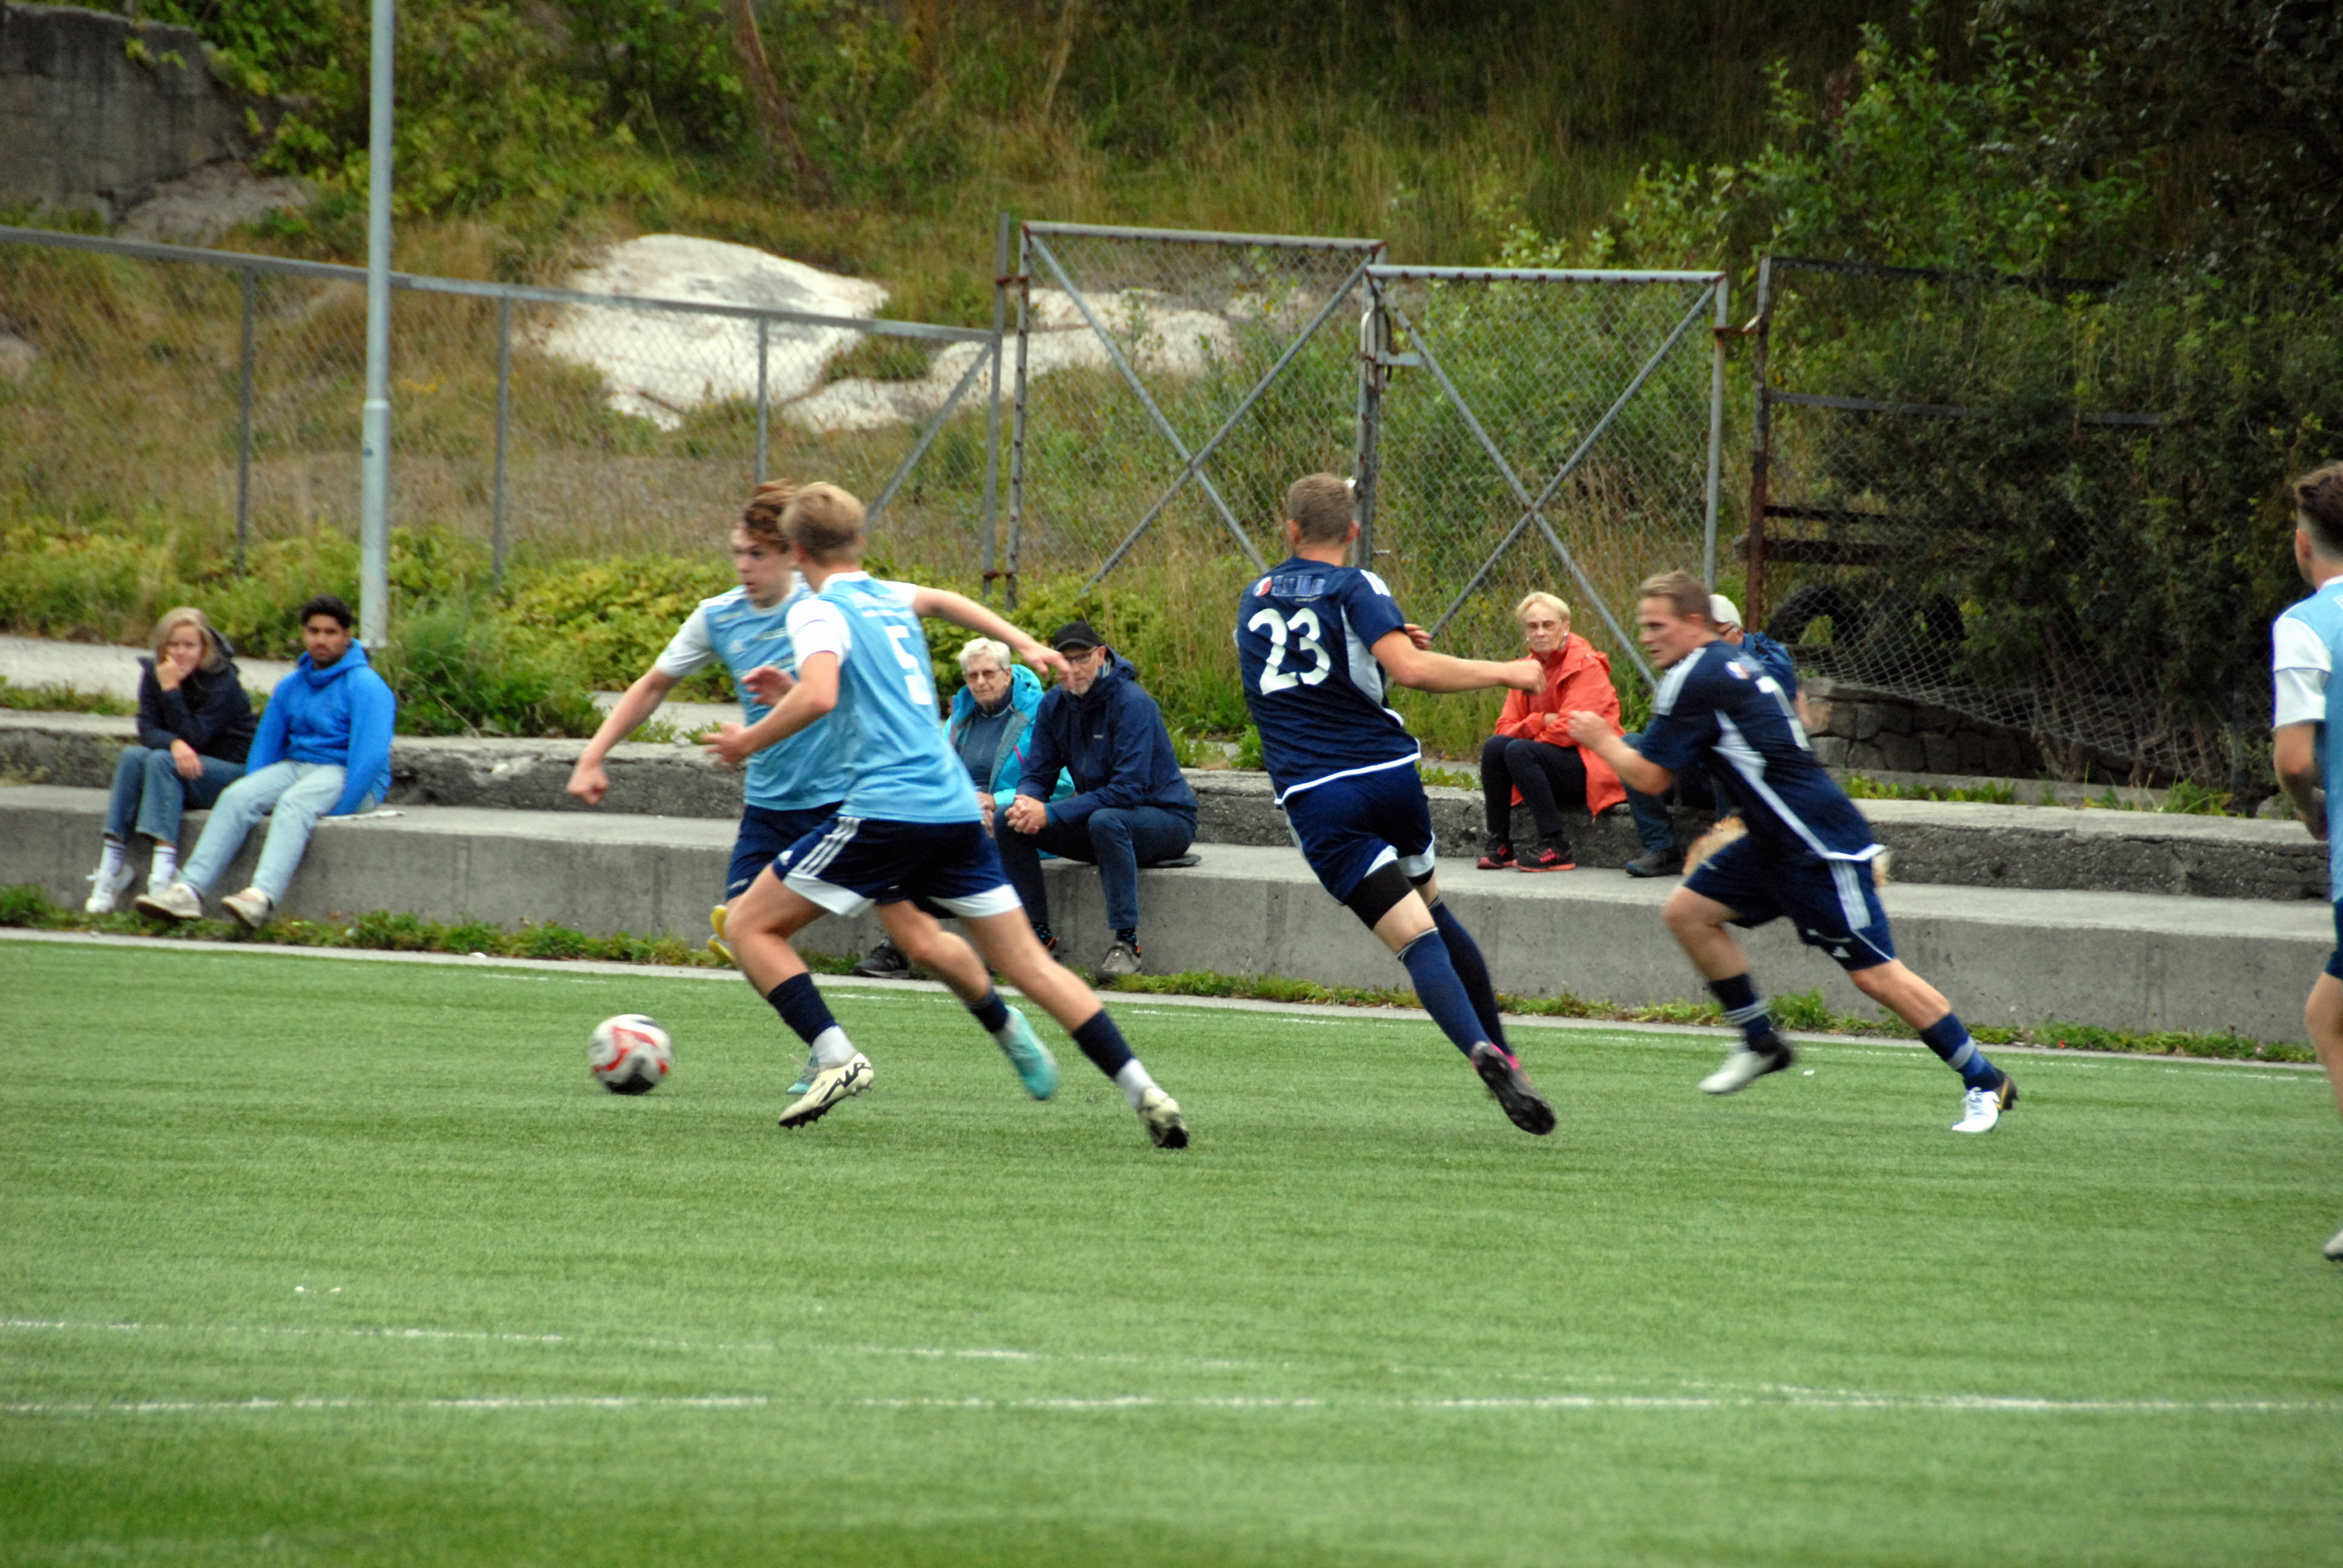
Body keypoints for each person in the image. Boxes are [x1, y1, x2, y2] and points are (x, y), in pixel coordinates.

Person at [710, 482, 1190, 1148]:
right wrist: (1023, 642)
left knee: (747, 925)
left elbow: (820, 696)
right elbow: (940, 605)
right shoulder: (886, 597)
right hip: (954, 810)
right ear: (859, 541)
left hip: (887, 811)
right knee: (1027, 965)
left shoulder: (816, 611)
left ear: (794, 552)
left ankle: (835, 1055)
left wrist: (747, 740)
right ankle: (1145, 1090)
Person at [1565, 571, 2017, 1133]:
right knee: (1688, 912)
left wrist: (1601, 738)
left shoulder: (1694, 677)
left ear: (1694, 623)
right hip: (1773, 841)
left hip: (1817, 845)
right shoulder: (1737, 663)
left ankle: (1985, 1080)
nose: (1647, 637)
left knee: (1876, 976)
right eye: (1643, 626)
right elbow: (1788, 718)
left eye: (1657, 626)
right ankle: (1761, 1042)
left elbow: (1651, 778)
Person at [1238, 472, 1555, 1135]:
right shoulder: (1358, 587)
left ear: (1290, 530)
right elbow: (1407, 671)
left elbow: (1310, 666)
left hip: (1319, 796)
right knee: (1431, 909)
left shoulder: (1256, 596)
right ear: (1353, 532)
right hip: (1388, 779)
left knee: (1414, 942)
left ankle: (1477, 1049)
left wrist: (1379, 642)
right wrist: (1507, 670)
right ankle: (1505, 1054)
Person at [566, 479, 849, 1021]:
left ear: (791, 555)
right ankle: (829, 1048)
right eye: (737, 553)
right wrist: (592, 755)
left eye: (757, 554)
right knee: (745, 932)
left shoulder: (824, 608)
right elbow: (654, 684)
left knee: (916, 936)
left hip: (844, 800)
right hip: (770, 804)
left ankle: (998, 1008)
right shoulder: (719, 617)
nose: (743, 566)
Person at [136, 593, 395, 929]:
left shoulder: (366, 685)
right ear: (303, 634)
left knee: (294, 804)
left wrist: (347, 804)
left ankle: (260, 897)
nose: (321, 640)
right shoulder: (292, 684)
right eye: (313, 631)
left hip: (346, 773)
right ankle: (189, 890)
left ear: (347, 636)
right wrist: (256, 787)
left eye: (331, 632)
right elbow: (267, 744)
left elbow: (371, 756)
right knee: (237, 795)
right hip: (298, 767)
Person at [997, 620, 1198, 978]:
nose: (1074, 669)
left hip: (1165, 820)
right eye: (1065, 660)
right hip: (1101, 822)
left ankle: (1127, 944)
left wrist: (1051, 814)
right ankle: (1036, 939)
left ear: (1101, 655)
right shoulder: (1053, 705)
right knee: (1007, 820)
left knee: (1106, 820)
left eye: (1082, 658)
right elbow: (1038, 774)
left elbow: (1128, 790)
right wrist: (1026, 803)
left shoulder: (1133, 703)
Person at [848, 636, 1057, 980]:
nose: (980, 682)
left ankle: (1019, 946)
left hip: (1020, 822)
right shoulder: (960, 716)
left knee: (983, 836)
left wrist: (998, 801)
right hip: (965, 818)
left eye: (989, 673)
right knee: (903, 839)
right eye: (972, 676)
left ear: (1007, 674)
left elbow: (1062, 782)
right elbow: (935, 774)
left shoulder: (1040, 714)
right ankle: (897, 945)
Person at [2266, 460, 2343, 1262]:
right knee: (2328, 1013)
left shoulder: (2307, 625)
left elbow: (2293, 759)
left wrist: (2310, 810)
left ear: (2301, 545)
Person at [84, 607, 255, 912]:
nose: (180, 653)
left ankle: (162, 878)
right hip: (179, 766)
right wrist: (174, 743)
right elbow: (147, 729)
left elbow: (197, 737)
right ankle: (111, 870)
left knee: (162, 761)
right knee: (133, 756)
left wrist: (172, 690)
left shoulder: (223, 682)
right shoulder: (155, 673)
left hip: (227, 772)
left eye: (190, 645)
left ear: (204, 648)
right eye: (173, 645)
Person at [1621, 592, 1803, 878]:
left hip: (1750, 782)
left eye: (1717, 634)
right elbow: (1668, 734)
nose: (1708, 643)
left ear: (1738, 632)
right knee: (1632, 746)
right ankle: (1662, 848)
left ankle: (1726, 854)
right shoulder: (1690, 664)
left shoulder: (1767, 662)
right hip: (1698, 772)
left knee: (1724, 752)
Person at [1473, 592, 1626, 874]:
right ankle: (1500, 842)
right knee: (1495, 747)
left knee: (1518, 750)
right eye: (1533, 626)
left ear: (1566, 627)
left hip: (1592, 765)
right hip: (1548, 764)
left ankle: (1556, 845)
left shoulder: (1587, 666)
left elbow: (1572, 730)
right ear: (1525, 631)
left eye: (1548, 625)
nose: (1540, 632)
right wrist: (1541, 720)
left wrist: (1530, 734)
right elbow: (1504, 729)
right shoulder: (1524, 670)